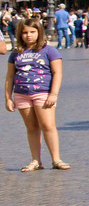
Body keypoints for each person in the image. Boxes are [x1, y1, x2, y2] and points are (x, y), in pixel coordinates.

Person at [7, 19, 68, 171]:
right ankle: (36, 160)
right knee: (31, 127)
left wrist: (53, 94)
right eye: (25, 32)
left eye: (32, 32)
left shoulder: (48, 50)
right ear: (20, 34)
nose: (29, 36)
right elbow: (9, 77)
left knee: (48, 125)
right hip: (22, 94)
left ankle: (56, 159)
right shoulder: (16, 53)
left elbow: (57, 72)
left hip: (43, 93)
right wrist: (8, 98)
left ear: (39, 32)